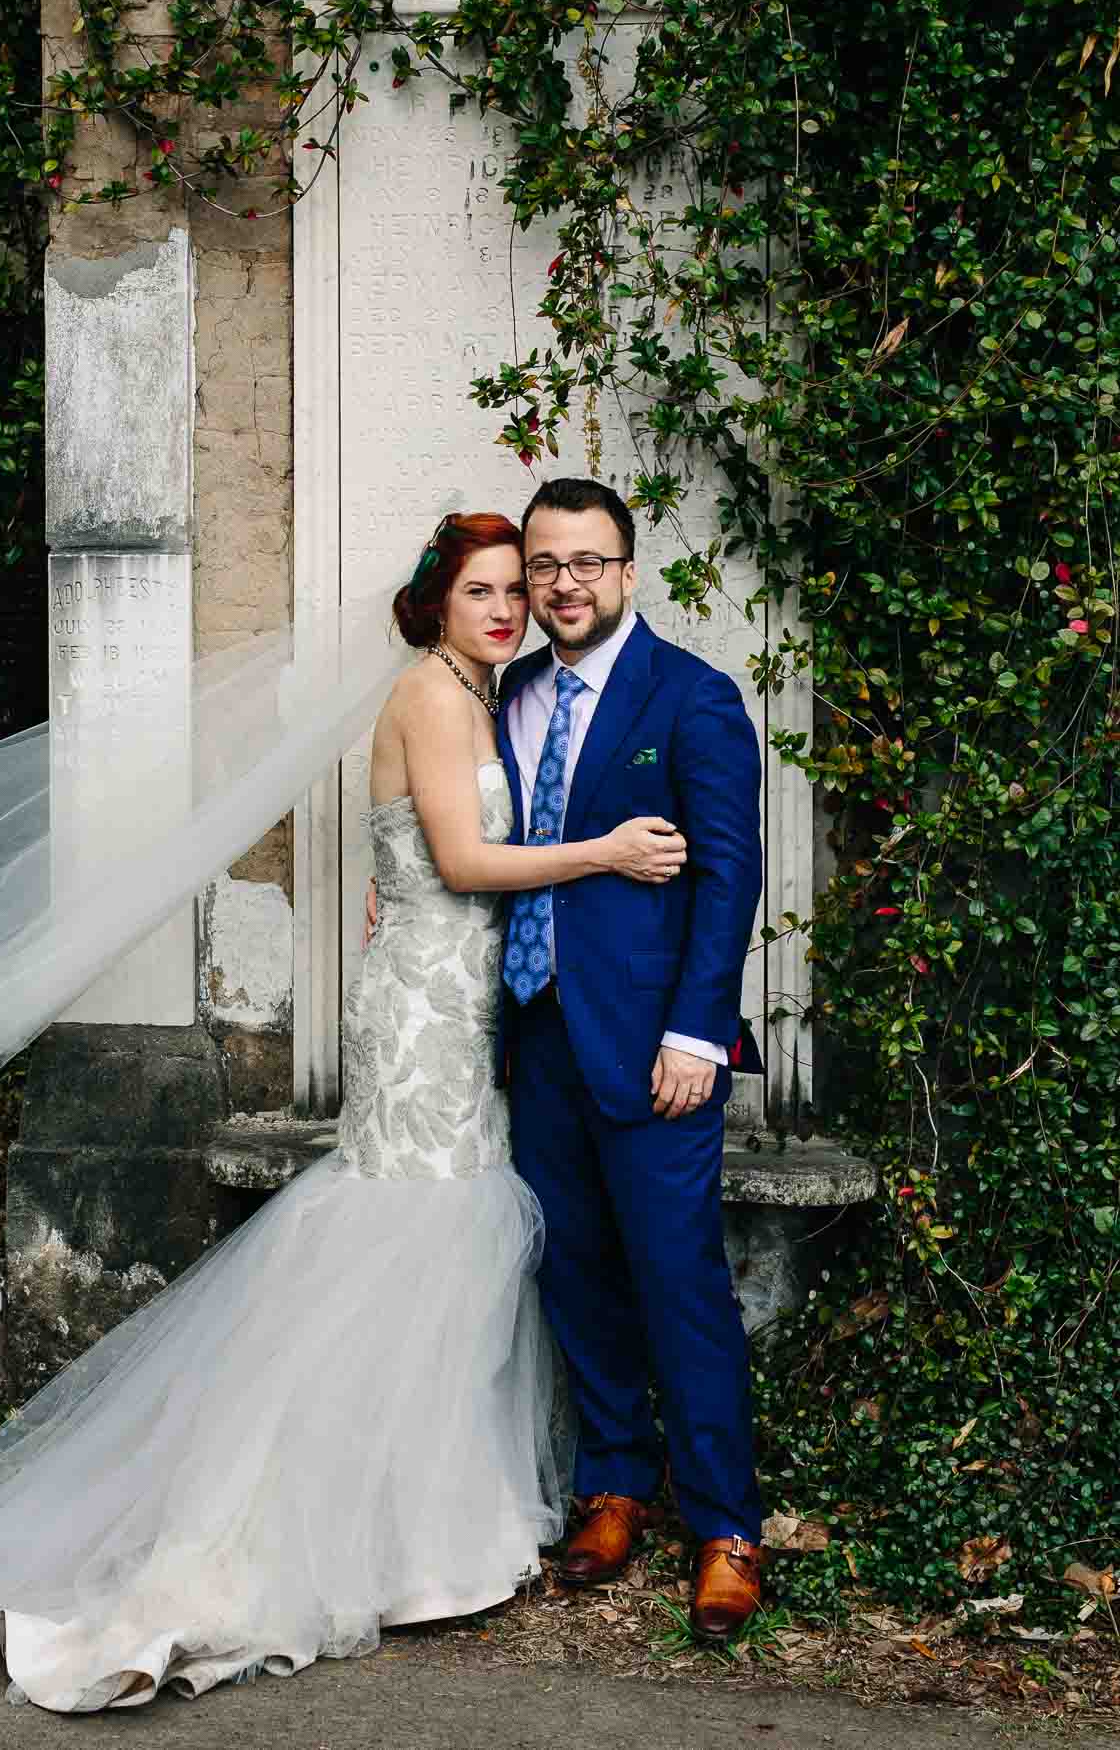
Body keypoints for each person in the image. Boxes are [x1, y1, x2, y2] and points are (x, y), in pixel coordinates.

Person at [0, 510, 691, 1710]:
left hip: (452, 998)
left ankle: (414, 1527)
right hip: (423, 1020)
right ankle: (344, 1536)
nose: (505, 608)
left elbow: (435, 863)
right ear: (436, 600)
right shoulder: (436, 699)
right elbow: (467, 860)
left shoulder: (484, 696)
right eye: (481, 590)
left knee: (440, 1235)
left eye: (512, 590)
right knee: (417, 1228)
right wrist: (605, 853)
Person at [496, 476, 766, 1641]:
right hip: (537, 1032)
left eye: (586, 562)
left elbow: (728, 878)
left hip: (657, 1046)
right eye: (545, 563)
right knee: (575, 1270)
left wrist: (697, 1033)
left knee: (680, 1283)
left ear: (627, 570)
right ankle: (614, 1484)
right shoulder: (508, 691)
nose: (564, 584)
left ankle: (726, 1528)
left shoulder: (693, 699)